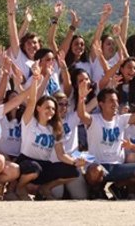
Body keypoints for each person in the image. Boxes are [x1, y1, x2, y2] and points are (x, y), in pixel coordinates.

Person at [14, 65, 84, 201]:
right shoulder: (30, 121)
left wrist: (76, 162)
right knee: (33, 168)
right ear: (39, 108)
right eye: (47, 108)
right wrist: (35, 79)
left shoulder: (55, 128)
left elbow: (61, 154)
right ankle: (20, 188)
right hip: (27, 161)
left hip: (45, 165)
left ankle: (45, 188)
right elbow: (32, 101)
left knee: (73, 171)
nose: (51, 111)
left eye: (53, 109)